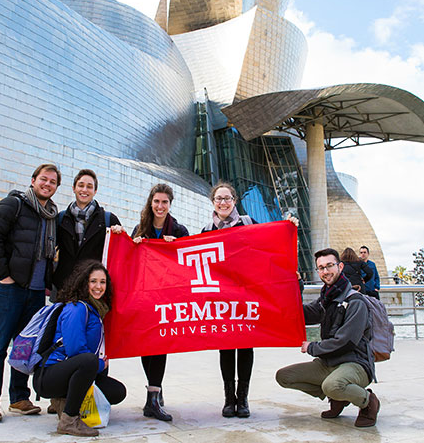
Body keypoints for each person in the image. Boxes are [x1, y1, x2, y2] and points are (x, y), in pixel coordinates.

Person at [202, 181, 298, 419]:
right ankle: (229, 398)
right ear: (213, 202)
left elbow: (269, 245)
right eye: (218, 199)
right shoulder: (206, 231)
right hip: (221, 299)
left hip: (246, 296)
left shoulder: (248, 223)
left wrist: (288, 227)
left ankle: (242, 398)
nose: (223, 203)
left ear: (234, 201)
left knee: (245, 345)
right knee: (225, 348)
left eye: (227, 198)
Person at [0, 163, 61, 422]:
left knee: (25, 347)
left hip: (35, 292)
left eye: (52, 182)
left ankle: (19, 397)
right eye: (44, 180)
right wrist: (3, 276)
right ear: (33, 180)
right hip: (8, 289)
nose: (47, 184)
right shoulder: (14, 204)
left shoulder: (51, 215)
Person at [275, 248, 380, 428]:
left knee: (332, 385)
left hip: (355, 363)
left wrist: (312, 347)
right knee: (284, 377)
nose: (325, 271)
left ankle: (368, 401)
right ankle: (338, 398)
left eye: (329, 266)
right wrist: (295, 286)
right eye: (321, 268)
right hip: (329, 362)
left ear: (340, 266)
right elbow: (304, 314)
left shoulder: (356, 302)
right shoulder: (327, 297)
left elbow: (346, 341)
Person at [34, 260, 126, 437]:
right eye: (93, 281)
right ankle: (69, 420)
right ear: (84, 282)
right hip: (48, 375)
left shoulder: (96, 309)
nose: (98, 286)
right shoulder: (76, 308)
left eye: (103, 282)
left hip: (72, 370)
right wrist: (100, 365)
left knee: (117, 392)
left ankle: (64, 400)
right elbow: (76, 351)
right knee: (89, 361)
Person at [132, 183, 189, 422]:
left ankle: (153, 397)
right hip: (145, 296)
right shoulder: (140, 228)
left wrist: (175, 246)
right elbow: (130, 260)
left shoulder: (179, 229)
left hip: (167, 297)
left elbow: (188, 262)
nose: (160, 206)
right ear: (150, 202)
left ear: (170, 204)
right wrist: (132, 244)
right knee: (146, 344)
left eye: (165, 202)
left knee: (160, 344)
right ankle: (154, 390)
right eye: (156, 201)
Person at [53, 169, 122, 292]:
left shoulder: (109, 220)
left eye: (89, 187)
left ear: (95, 191)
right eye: (81, 185)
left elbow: (122, 254)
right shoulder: (61, 218)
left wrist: (120, 234)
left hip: (94, 290)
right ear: (74, 188)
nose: (84, 190)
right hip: (64, 288)